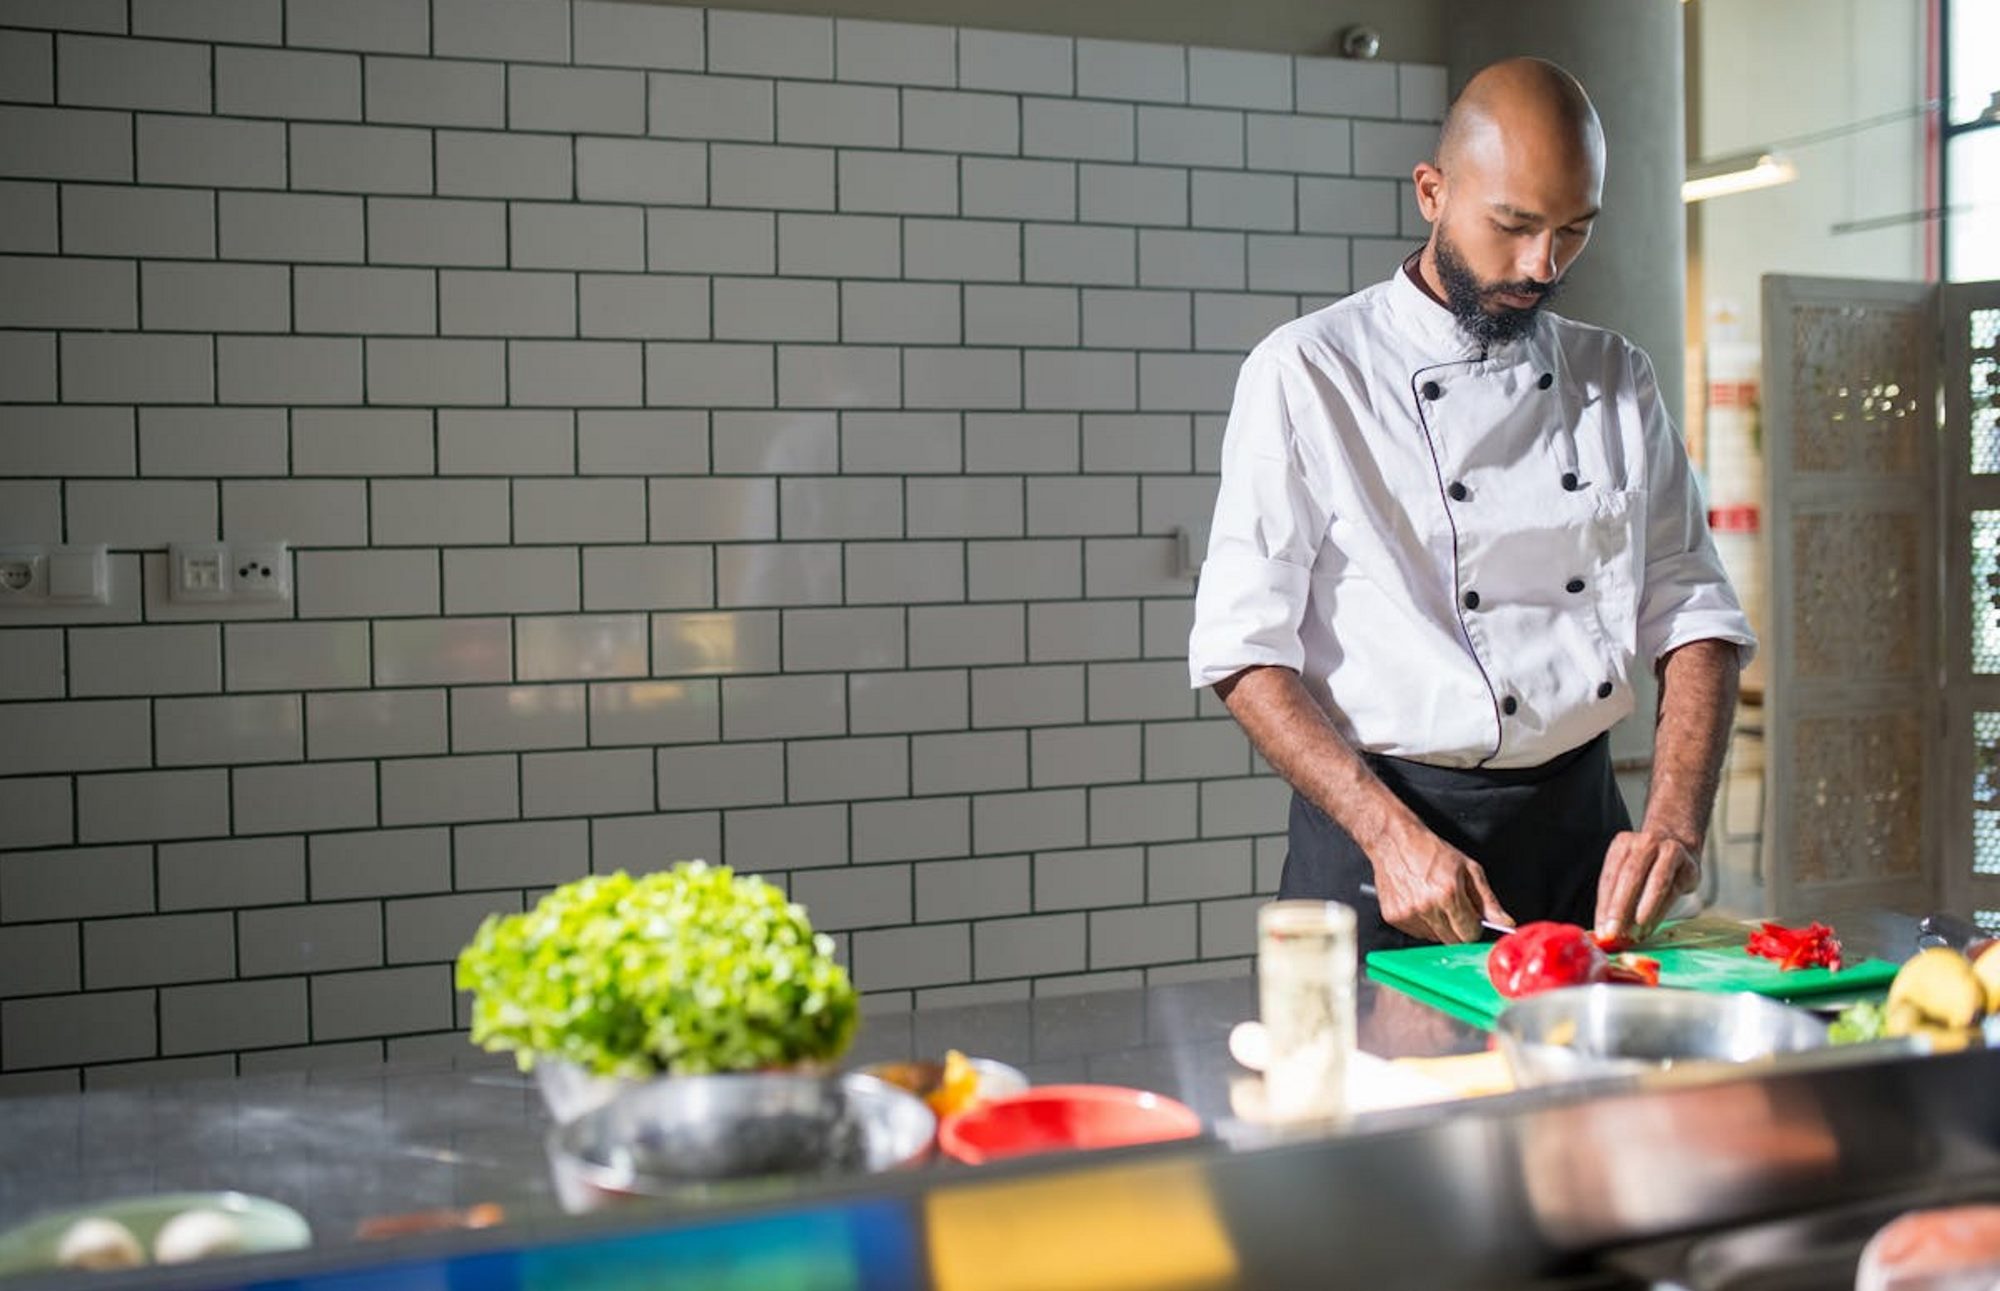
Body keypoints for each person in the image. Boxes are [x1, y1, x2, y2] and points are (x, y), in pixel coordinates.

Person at [1187, 57, 1755, 957]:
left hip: (1581, 840)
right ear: (1431, 191)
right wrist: (1387, 835)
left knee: (1586, 1096)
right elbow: (1242, 650)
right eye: (1514, 225)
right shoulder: (1308, 371)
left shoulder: (1617, 376)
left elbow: (1696, 611)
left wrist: (1675, 829)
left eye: (1574, 230)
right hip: (1388, 849)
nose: (1542, 265)